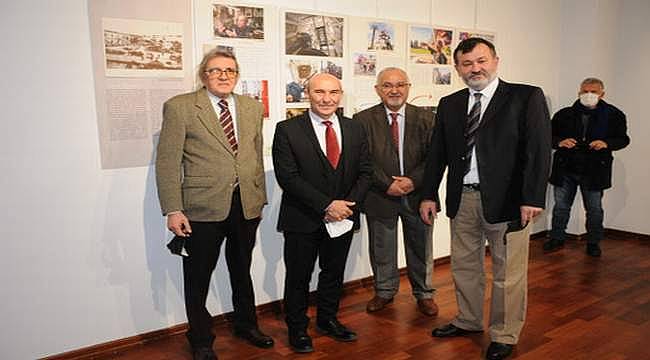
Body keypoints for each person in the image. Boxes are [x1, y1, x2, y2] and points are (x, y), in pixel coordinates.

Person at [419, 38, 551, 360]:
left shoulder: (525, 96)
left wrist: (532, 197)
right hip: (461, 199)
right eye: (467, 63)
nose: (475, 68)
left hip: (509, 202)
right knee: (464, 266)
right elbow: (437, 154)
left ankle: (505, 333)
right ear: (458, 68)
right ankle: (468, 319)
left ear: (495, 60)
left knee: (509, 272)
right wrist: (428, 194)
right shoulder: (450, 104)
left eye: (481, 61)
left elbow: (538, 150)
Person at [155, 49, 273, 360]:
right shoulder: (180, 107)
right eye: (215, 70)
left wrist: (259, 198)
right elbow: (167, 163)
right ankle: (200, 338)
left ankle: (246, 325)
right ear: (203, 75)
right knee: (197, 277)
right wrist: (173, 209)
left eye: (230, 71)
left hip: (246, 206)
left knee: (241, 270)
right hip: (200, 209)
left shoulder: (252, 107)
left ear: (237, 75)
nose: (223, 76)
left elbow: (254, 155)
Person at [272, 73, 372, 353]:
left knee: (333, 273)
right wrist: (328, 205)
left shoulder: (356, 128)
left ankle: (328, 320)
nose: (327, 99)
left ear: (341, 94)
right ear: (307, 93)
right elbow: (288, 177)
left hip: (344, 217)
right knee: (298, 277)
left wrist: (345, 207)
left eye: (333, 92)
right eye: (319, 92)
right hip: (302, 218)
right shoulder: (287, 129)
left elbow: (366, 172)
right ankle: (298, 329)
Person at [353, 67, 437, 316]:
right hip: (380, 195)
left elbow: (435, 158)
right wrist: (386, 184)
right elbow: (363, 159)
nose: (394, 90)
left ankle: (424, 294)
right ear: (378, 90)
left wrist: (413, 180)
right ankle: (384, 291)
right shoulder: (362, 120)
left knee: (421, 247)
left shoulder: (427, 118)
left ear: (409, 87)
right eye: (387, 85)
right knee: (381, 247)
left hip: (419, 195)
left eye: (400, 84)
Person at [545, 78, 630, 257]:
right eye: (585, 91)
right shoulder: (564, 114)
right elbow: (548, 136)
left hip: (595, 169)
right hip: (566, 167)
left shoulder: (614, 115)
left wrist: (606, 143)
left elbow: (623, 139)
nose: (588, 95)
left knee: (594, 208)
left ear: (602, 94)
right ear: (579, 93)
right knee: (561, 206)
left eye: (593, 92)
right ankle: (556, 237)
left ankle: (593, 242)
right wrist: (560, 141)